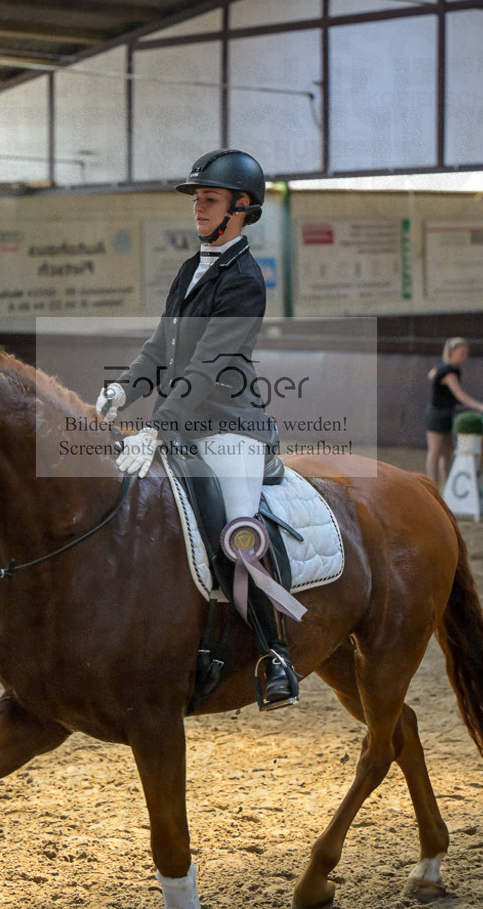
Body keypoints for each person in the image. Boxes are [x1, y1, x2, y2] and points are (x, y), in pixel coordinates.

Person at [95, 148, 300, 709]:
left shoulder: (246, 280)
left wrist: (156, 428)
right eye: (197, 199)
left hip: (231, 429)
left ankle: (274, 651)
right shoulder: (191, 270)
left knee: (239, 535)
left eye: (208, 199)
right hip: (181, 425)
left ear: (240, 208)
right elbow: (161, 349)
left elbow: (209, 366)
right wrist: (125, 389)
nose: (198, 208)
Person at [425, 337, 483, 487]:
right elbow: (460, 395)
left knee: (446, 453)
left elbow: (432, 375)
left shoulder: (450, 368)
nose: (465, 356)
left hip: (447, 414)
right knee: (435, 452)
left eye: (466, 352)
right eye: (462, 352)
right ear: (452, 352)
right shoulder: (448, 372)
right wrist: (481, 406)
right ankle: (432, 486)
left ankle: (446, 485)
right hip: (437, 414)